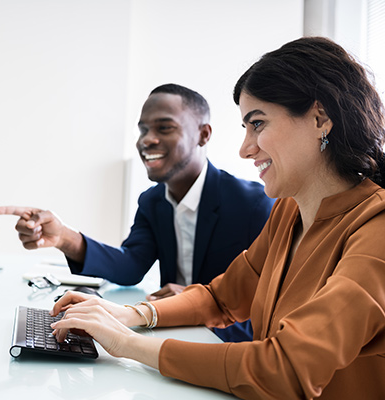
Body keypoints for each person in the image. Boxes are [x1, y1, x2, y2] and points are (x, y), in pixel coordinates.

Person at [48, 36, 385, 399]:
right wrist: (130, 314)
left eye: (258, 124)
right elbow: (221, 297)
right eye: (245, 128)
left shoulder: (376, 228)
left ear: (320, 118)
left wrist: (129, 345)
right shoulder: (290, 210)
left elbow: (287, 367)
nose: (244, 148)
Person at [0, 84, 274, 342]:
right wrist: (64, 238)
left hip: (222, 343)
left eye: (164, 128)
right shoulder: (153, 201)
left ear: (203, 134)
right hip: (166, 332)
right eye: (143, 130)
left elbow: (266, 315)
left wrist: (190, 307)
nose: (147, 140)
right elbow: (131, 266)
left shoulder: (253, 204)